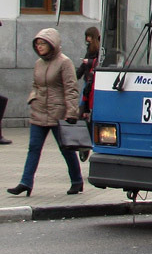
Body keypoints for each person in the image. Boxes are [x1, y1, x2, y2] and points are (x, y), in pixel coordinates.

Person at [7, 28, 84, 196]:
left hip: (58, 114)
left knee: (66, 149)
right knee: (33, 148)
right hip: (39, 111)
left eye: (43, 44)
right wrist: (33, 98)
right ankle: (25, 182)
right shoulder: (38, 64)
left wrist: (71, 112)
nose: (39, 47)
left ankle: (77, 181)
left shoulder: (65, 62)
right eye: (37, 44)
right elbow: (36, 85)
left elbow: (71, 89)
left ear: (52, 44)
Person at [75, 26, 101, 161]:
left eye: (89, 36)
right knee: (82, 109)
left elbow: (100, 63)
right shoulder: (89, 49)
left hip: (94, 82)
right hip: (88, 82)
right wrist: (75, 77)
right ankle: (83, 143)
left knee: (90, 112)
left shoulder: (99, 49)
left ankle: (87, 143)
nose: (87, 39)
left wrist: (89, 62)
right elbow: (82, 67)